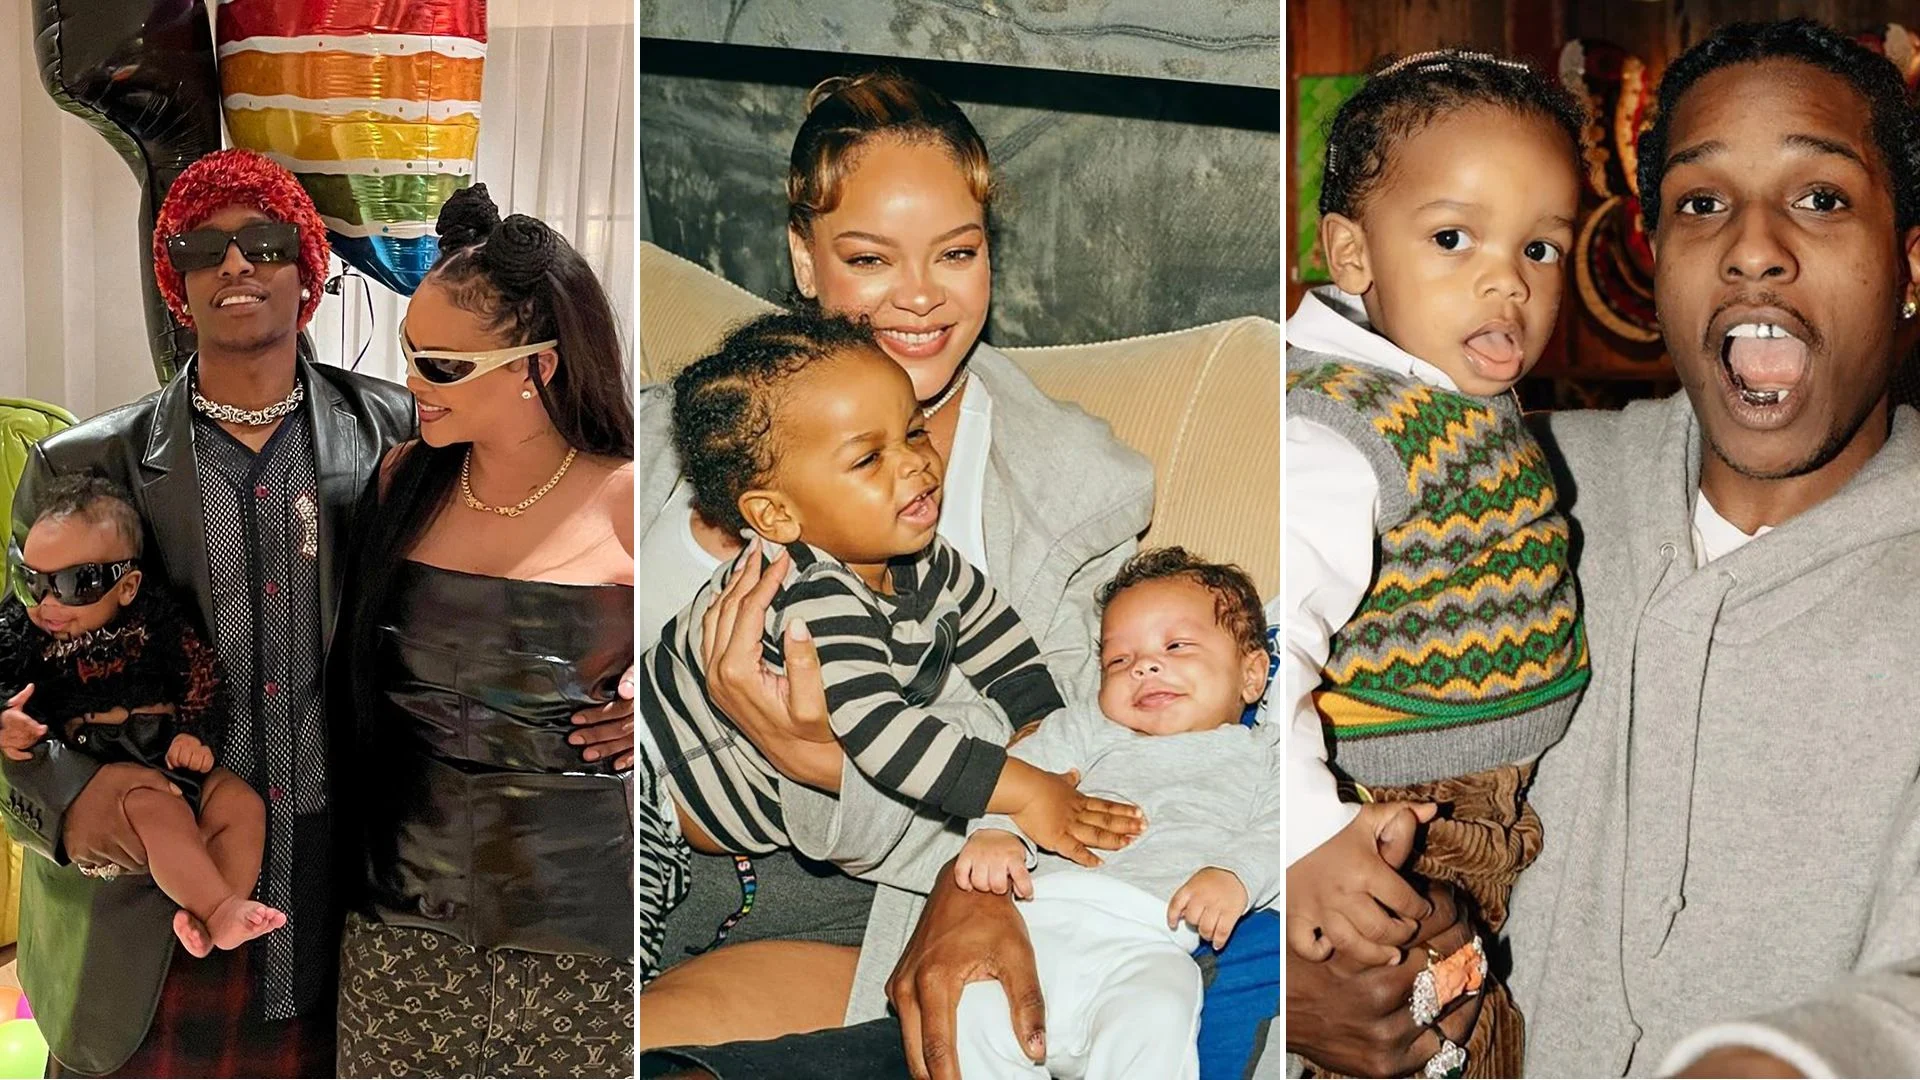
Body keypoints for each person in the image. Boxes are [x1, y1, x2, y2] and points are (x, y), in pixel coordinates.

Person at [1287, 19, 1920, 1079]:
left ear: (1908, 265)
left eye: (1820, 197)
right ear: (1650, 254)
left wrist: (1791, 1059)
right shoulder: (1484, 488)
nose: (1754, 244)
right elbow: (1210, 654)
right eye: (1701, 203)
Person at [0, 148, 631, 1079]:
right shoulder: (81, 467)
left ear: (311, 271)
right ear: (174, 281)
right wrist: (64, 805)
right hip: (143, 930)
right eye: (203, 249)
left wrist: (633, 696)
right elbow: (14, 683)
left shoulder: (401, 441)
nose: (236, 266)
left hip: (352, 919)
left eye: (263, 242)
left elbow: (529, 564)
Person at [1283, 50, 1590, 1078]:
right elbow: (1276, 627)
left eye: (1542, 248)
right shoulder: (1343, 426)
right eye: (1453, 237)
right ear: (1351, 254)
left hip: (1460, 806)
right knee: (1443, 1043)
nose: (1508, 279)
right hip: (1400, 822)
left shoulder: (1434, 389)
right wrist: (1305, 839)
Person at [645, 310, 1135, 880]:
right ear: (776, 514)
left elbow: (991, 629)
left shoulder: (922, 558)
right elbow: (879, 732)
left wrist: (1040, 723)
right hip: (654, 798)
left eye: (915, 432)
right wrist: (1022, 788)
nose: (916, 464)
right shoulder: (812, 594)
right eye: (868, 458)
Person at [334, 184, 637, 1078]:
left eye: (444, 367)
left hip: (580, 934)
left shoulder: (631, 502)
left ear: (539, 366)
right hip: (397, 921)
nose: (413, 386)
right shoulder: (401, 484)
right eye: (410, 356)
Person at [951, 548, 1278, 1080]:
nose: (1145, 666)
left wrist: (1236, 873)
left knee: (1161, 1008)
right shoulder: (1084, 727)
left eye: (1176, 646)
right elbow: (1022, 773)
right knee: (973, 1013)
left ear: (1252, 674)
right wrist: (996, 831)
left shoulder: (1261, 754)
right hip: (1031, 929)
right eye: (1118, 661)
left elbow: (1279, 826)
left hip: (1148, 940)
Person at [0, 477, 283, 954]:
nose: (47, 603)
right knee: (155, 808)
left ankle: (214, 911)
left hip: (167, 749)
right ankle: (216, 909)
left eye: (73, 584)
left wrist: (198, 732)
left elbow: (201, 674)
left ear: (127, 585)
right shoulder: (24, 630)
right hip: (101, 765)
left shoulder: (157, 618)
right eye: (32, 583)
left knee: (241, 804)